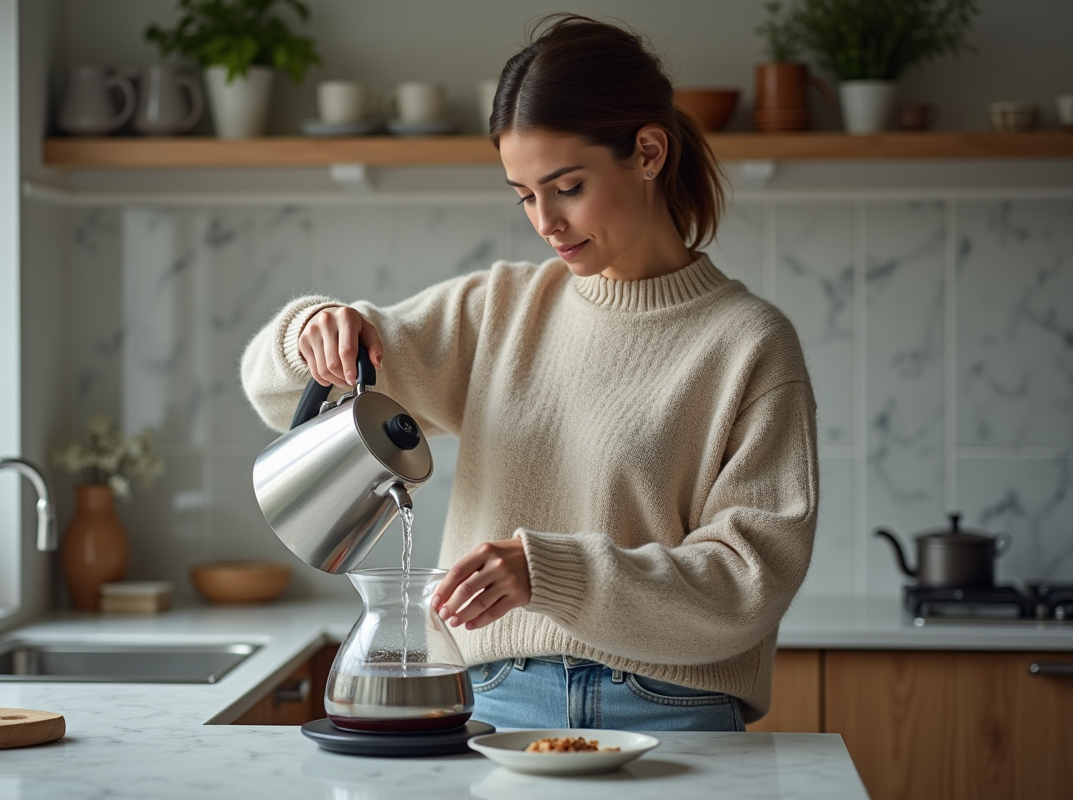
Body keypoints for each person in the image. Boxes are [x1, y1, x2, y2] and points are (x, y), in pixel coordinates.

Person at [241, 13, 818, 732]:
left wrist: (549, 573)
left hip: (674, 710)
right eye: (523, 194)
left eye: (567, 186)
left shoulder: (750, 346)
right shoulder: (500, 311)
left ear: (646, 151)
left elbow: (748, 585)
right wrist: (312, 333)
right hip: (491, 701)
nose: (544, 221)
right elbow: (275, 393)